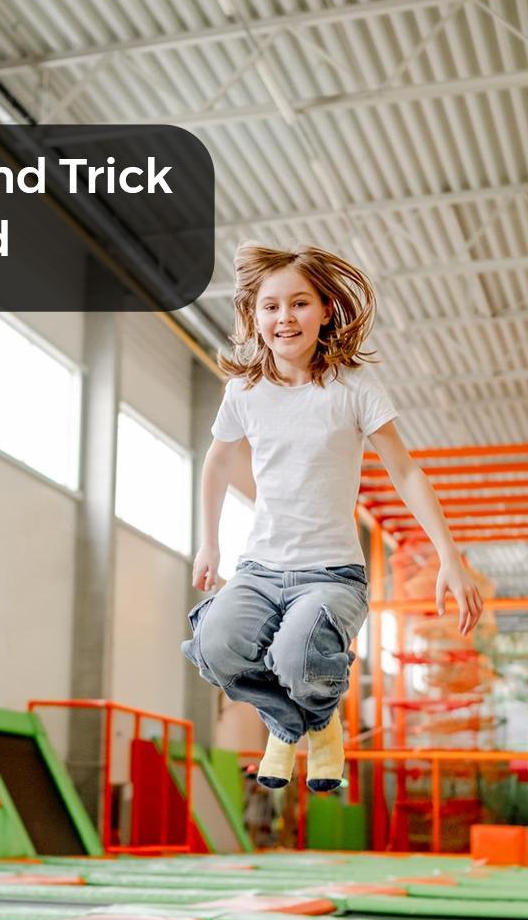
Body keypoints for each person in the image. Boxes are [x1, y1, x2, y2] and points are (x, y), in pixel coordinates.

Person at [182, 243, 483, 791]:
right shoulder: (245, 391)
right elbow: (217, 462)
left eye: (299, 303)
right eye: (270, 307)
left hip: (331, 575)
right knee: (215, 646)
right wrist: (210, 544)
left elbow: (406, 471)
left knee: (299, 655)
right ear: (254, 316)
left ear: (325, 310)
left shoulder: (353, 388)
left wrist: (449, 556)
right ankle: (299, 721)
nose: (284, 318)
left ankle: (310, 717)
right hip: (259, 569)